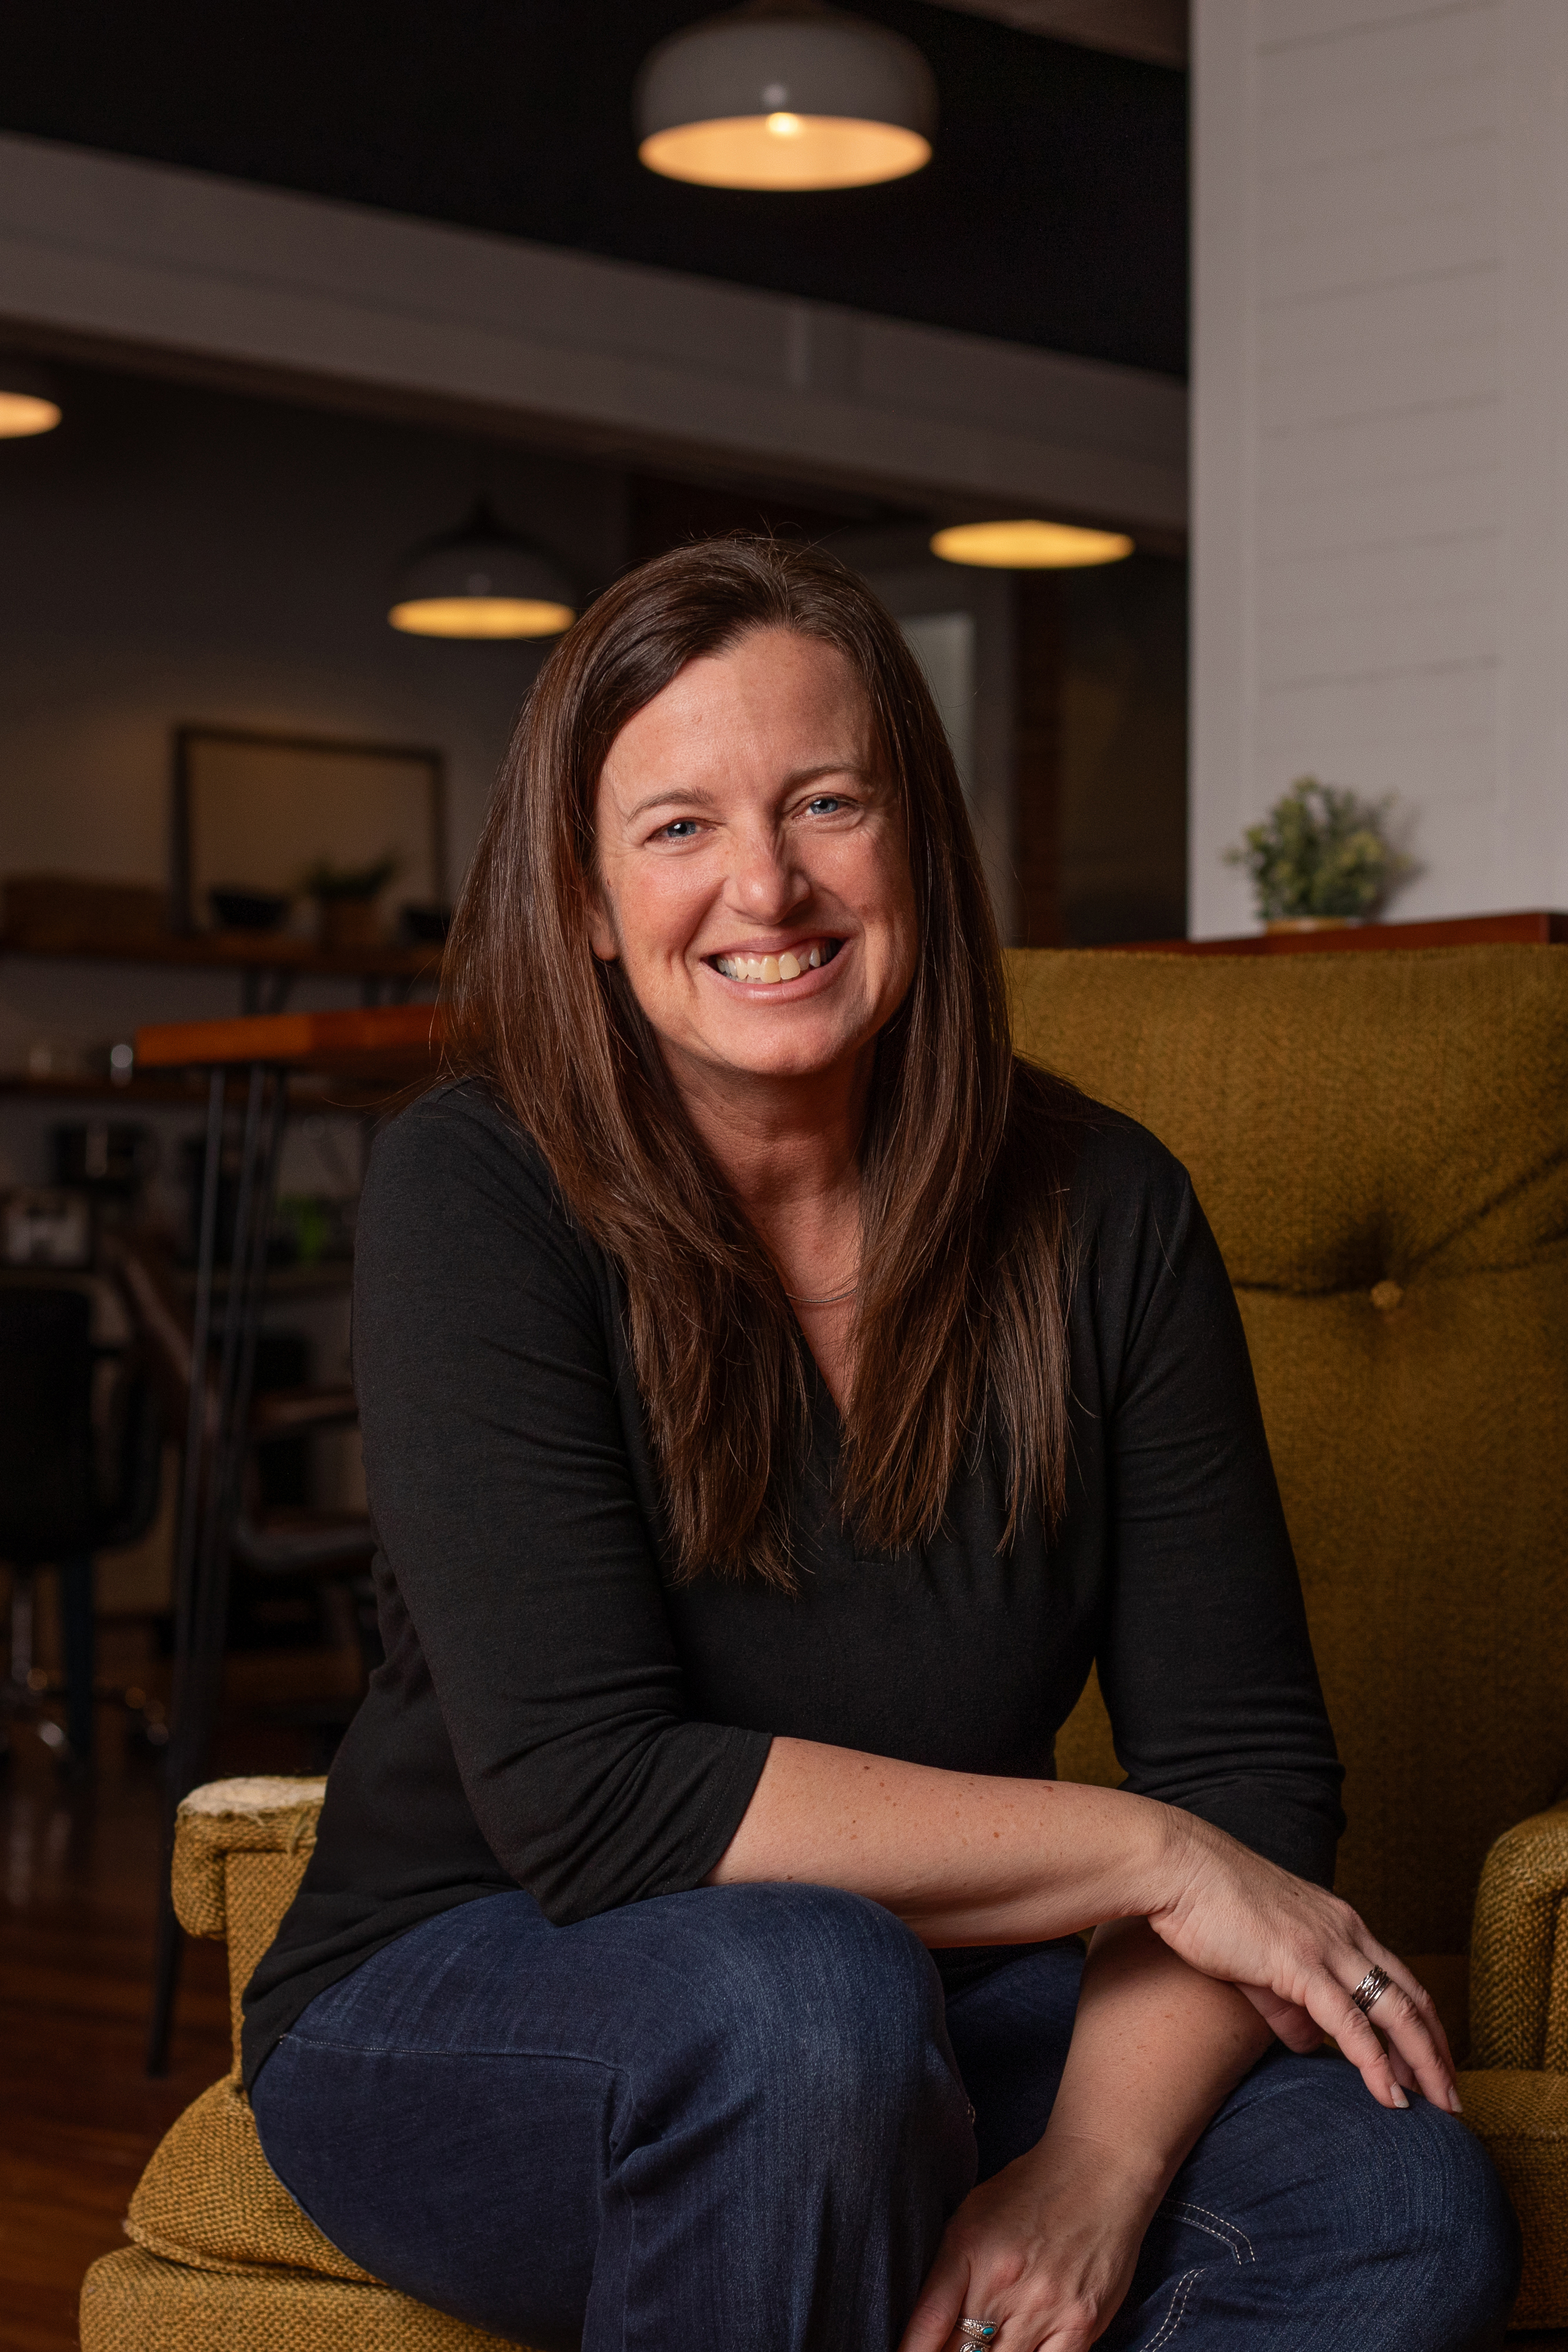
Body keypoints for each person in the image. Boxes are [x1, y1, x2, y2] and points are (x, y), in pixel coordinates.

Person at [248, 537, 1519, 2352]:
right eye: (676, 825)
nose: (763, 883)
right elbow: (602, 1804)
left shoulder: (1104, 1211)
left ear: (911, 834)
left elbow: (1239, 1766)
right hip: (466, 1991)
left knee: (1393, 2204)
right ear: (588, 903)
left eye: (824, 801)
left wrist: (1090, 2166)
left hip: (928, 2007)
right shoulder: (480, 1192)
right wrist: (1152, 1859)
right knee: (798, 1999)